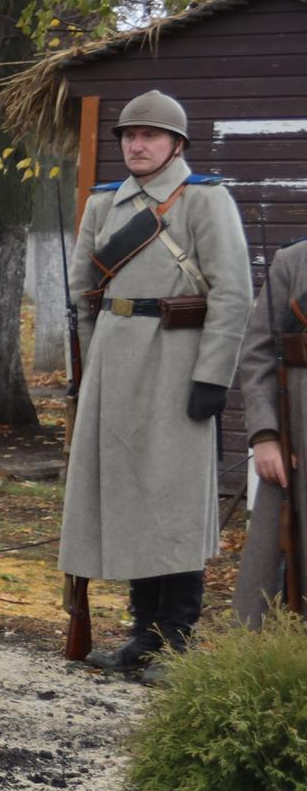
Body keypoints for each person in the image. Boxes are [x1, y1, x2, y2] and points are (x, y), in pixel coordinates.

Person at [60, 90, 251, 671]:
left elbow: (233, 292)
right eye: (129, 136)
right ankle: (142, 633)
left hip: (176, 363)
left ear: (176, 144)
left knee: (171, 501)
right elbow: (82, 296)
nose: (137, 145)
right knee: (127, 498)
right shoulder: (103, 204)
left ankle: (175, 638)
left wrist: (212, 376)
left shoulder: (204, 200)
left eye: (150, 136)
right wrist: (92, 372)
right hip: (115, 367)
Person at [233, 234, 307, 625]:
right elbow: (258, 353)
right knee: (270, 579)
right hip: (299, 435)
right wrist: (265, 436)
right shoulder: (292, 260)